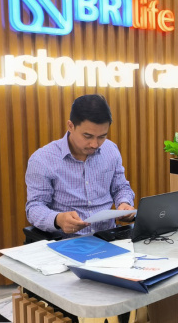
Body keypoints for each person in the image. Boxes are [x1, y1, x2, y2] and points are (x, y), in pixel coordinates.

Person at [25, 94, 135, 237]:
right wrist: (57, 219)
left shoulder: (111, 150)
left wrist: (124, 203)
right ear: (70, 126)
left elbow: (121, 187)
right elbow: (34, 207)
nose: (94, 144)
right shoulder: (42, 159)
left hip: (108, 236)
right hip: (66, 241)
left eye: (102, 136)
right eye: (87, 136)